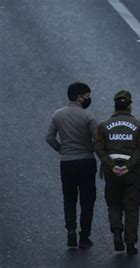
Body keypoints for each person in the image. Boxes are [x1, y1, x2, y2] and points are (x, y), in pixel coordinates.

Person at [95, 90, 140, 255]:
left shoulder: (103, 125)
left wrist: (111, 165)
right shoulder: (139, 125)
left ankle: (117, 231)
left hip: (112, 173)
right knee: (132, 208)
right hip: (132, 173)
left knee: (114, 203)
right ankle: (130, 244)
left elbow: (99, 148)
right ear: (130, 106)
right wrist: (129, 166)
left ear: (115, 105)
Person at [45, 82, 97, 249]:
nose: (88, 99)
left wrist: (62, 150)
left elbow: (49, 138)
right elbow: (98, 140)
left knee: (69, 198)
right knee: (87, 200)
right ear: (79, 97)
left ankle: (71, 231)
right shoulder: (88, 116)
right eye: (87, 97)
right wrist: (91, 150)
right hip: (86, 161)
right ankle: (84, 236)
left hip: (67, 162)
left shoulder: (57, 115)